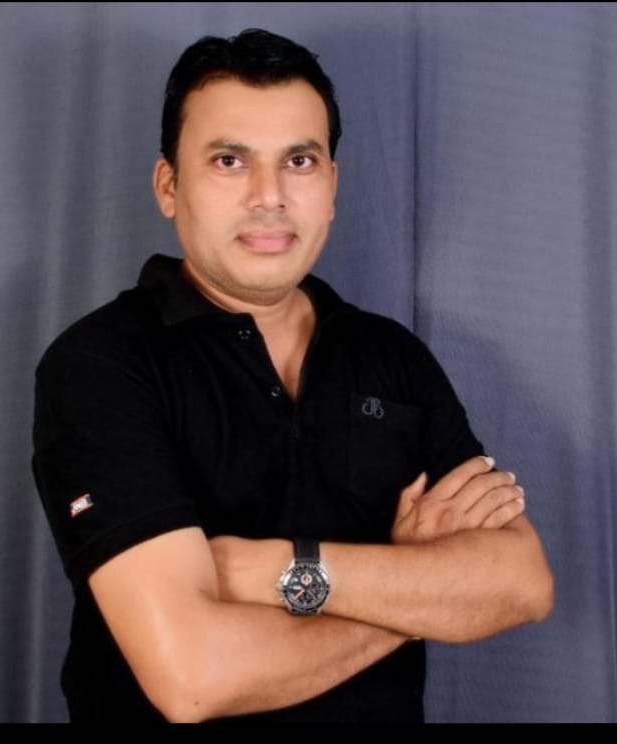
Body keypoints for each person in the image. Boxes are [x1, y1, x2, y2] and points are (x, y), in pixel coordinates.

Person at [32, 28, 554, 723]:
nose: (269, 196)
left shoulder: (393, 356)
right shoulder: (101, 365)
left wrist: (269, 568)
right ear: (169, 185)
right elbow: (195, 679)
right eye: (229, 160)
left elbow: (523, 583)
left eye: (299, 161)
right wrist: (416, 593)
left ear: (331, 185)